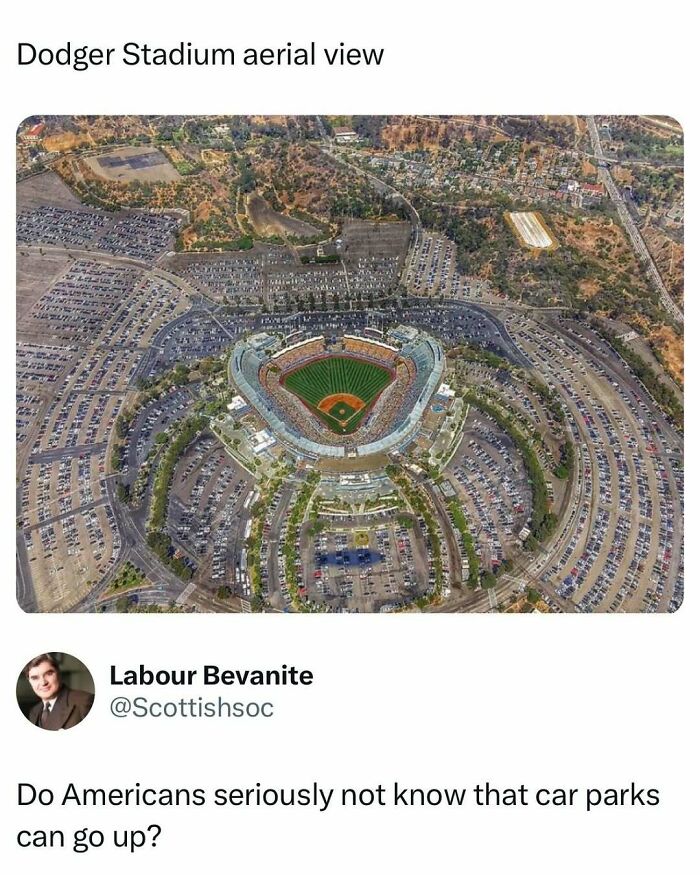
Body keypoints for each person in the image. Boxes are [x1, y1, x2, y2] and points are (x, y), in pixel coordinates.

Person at [24, 654, 94, 731]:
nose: (43, 682)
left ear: (59, 673)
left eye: (49, 674)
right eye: (35, 678)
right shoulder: (34, 711)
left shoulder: (84, 701)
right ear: (29, 681)